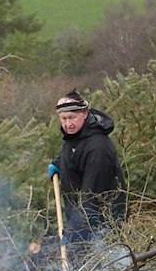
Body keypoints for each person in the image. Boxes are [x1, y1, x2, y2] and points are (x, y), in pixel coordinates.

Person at [50, 89, 127, 240]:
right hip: (81, 221)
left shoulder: (99, 148)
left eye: (72, 117)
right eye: (64, 119)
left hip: (102, 225)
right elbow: (74, 152)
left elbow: (92, 197)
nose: (68, 124)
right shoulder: (74, 137)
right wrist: (58, 164)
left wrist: (75, 233)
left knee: (99, 262)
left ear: (85, 114)